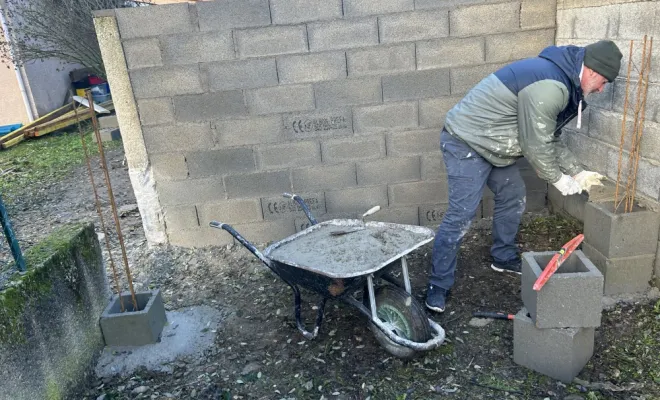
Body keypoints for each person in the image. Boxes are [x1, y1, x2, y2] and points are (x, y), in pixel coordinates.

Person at [425, 40, 623, 313]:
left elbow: (550, 137)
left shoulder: (562, 80)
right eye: (603, 82)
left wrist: (577, 171)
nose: (601, 89)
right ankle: (438, 284)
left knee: (513, 195)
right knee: (461, 214)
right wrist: (557, 179)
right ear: (591, 70)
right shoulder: (552, 86)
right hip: (467, 142)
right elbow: (535, 143)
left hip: (495, 144)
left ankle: (503, 257)